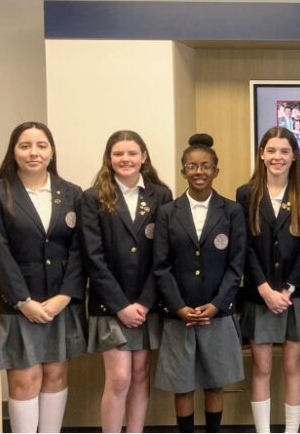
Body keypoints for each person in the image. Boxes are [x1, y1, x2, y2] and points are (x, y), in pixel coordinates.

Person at [0, 121, 86, 433]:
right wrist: (23, 301)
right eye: (25, 146)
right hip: (19, 304)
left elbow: (80, 250)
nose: (33, 152)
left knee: (55, 374)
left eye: (41, 146)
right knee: (25, 379)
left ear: (51, 152)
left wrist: (65, 295)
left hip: (60, 302)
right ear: (13, 151)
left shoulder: (72, 193)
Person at [79, 130, 173, 433]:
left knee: (140, 373)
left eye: (132, 153)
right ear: (109, 158)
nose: (125, 159)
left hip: (147, 301)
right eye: (119, 153)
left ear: (144, 157)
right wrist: (121, 305)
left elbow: (164, 253)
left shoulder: (160, 194)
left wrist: (144, 301)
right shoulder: (92, 197)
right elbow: (92, 257)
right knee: (119, 377)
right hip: (110, 304)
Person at [152, 134, 246, 433]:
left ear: (216, 170)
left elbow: (236, 265)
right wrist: (178, 307)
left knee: (215, 381)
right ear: (183, 171)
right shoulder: (168, 212)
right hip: (179, 314)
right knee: (183, 384)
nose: (199, 171)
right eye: (192, 166)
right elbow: (161, 266)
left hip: (217, 312)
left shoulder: (232, 211)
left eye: (206, 166)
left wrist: (218, 304)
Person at [237, 127, 300, 433]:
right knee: (261, 366)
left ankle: (290, 431)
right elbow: (243, 245)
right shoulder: (246, 194)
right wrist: (264, 288)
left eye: (284, 151)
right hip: (259, 293)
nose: (277, 157)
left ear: (295, 157)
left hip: (294, 294)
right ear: (262, 154)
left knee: (291, 366)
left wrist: (287, 289)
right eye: (271, 150)